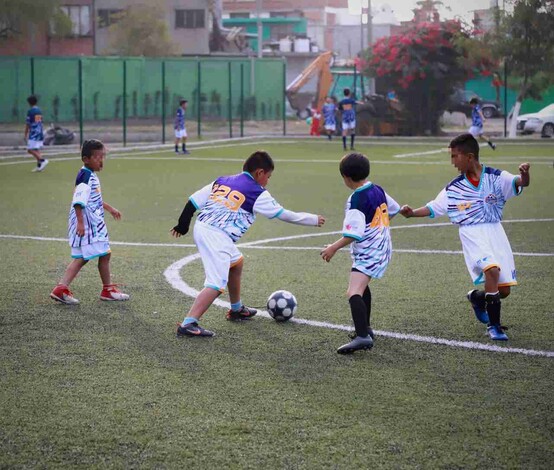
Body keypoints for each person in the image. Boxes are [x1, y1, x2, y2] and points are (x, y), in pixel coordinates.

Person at [171, 150, 326, 338]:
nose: (268, 181)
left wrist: (183, 225)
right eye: (268, 176)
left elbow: (193, 201)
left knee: (236, 262)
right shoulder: (257, 192)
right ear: (259, 173)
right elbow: (284, 214)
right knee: (215, 283)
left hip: (204, 228)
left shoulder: (222, 180)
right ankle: (189, 323)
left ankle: (236, 309)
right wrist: (312, 219)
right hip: (216, 236)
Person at [399, 133, 530, 341]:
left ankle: (477, 298)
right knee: (492, 270)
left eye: (455, 156)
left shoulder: (496, 177)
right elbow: (435, 207)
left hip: (495, 232)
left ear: (469, 157)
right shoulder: (454, 187)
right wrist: (412, 212)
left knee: (503, 290)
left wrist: (524, 176)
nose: (452, 162)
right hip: (471, 233)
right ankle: (494, 327)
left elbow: (519, 183)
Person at [320, 152, 400, 354]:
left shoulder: (356, 199)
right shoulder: (377, 189)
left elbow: (353, 233)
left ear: (346, 177)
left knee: (353, 291)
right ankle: (366, 329)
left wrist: (333, 248)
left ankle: (363, 336)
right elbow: (394, 208)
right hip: (383, 247)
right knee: (362, 287)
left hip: (369, 252)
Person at [50, 139, 129, 305]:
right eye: (98, 157)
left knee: (83, 257)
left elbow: (93, 199)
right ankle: (107, 290)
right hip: (88, 223)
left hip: (89, 220)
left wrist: (109, 208)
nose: (101, 160)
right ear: (86, 159)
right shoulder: (85, 176)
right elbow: (78, 201)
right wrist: (80, 223)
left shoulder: (88, 174)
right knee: (103, 253)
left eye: (103, 157)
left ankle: (61, 288)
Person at [24, 95, 48, 172]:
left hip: (34, 133)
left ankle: (42, 160)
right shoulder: (38, 111)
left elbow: (28, 123)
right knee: (36, 149)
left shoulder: (30, 111)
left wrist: (26, 133)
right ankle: (39, 166)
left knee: (30, 149)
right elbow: (39, 122)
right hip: (39, 131)